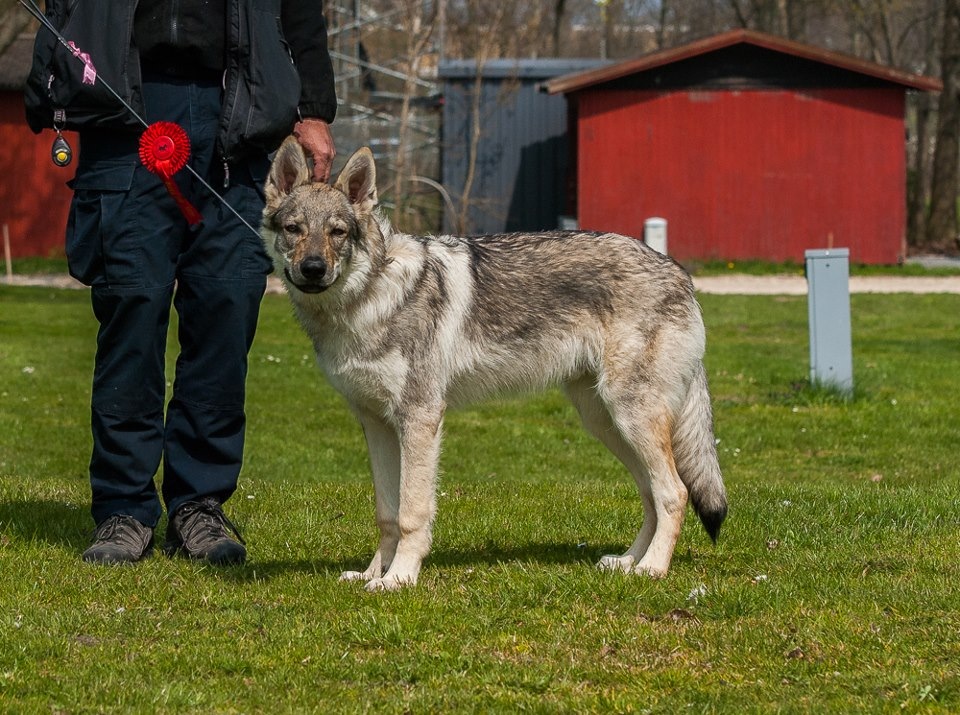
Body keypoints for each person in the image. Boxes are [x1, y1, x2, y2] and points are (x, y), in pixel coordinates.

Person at [24, 0, 337, 565]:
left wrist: (313, 107)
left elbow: (300, 11)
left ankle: (199, 505)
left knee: (226, 309)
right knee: (131, 312)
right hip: (124, 105)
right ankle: (123, 509)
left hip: (238, 115)